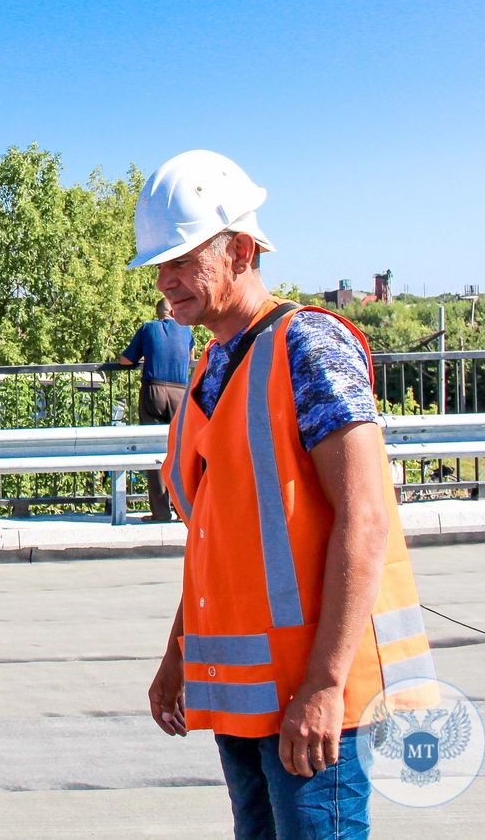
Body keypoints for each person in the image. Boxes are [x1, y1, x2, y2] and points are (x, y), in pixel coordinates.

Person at [134, 151, 437, 837]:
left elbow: (363, 519)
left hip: (314, 698)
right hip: (243, 697)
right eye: (159, 265)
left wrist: (325, 685)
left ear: (240, 250)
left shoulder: (308, 345)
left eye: (180, 260)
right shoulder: (211, 362)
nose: (164, 281)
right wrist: (176, 652)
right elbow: (219, 533)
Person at [119, 297, 193, 521]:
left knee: (153, 451)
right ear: (173, 310)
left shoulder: (148, 328)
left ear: (158, 311)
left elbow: (125, 360)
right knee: (181, 450)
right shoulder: (187, 330)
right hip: (180, 392)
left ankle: (160, 512)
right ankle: (183, 510)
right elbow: (190, 358)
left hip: (154, 391)